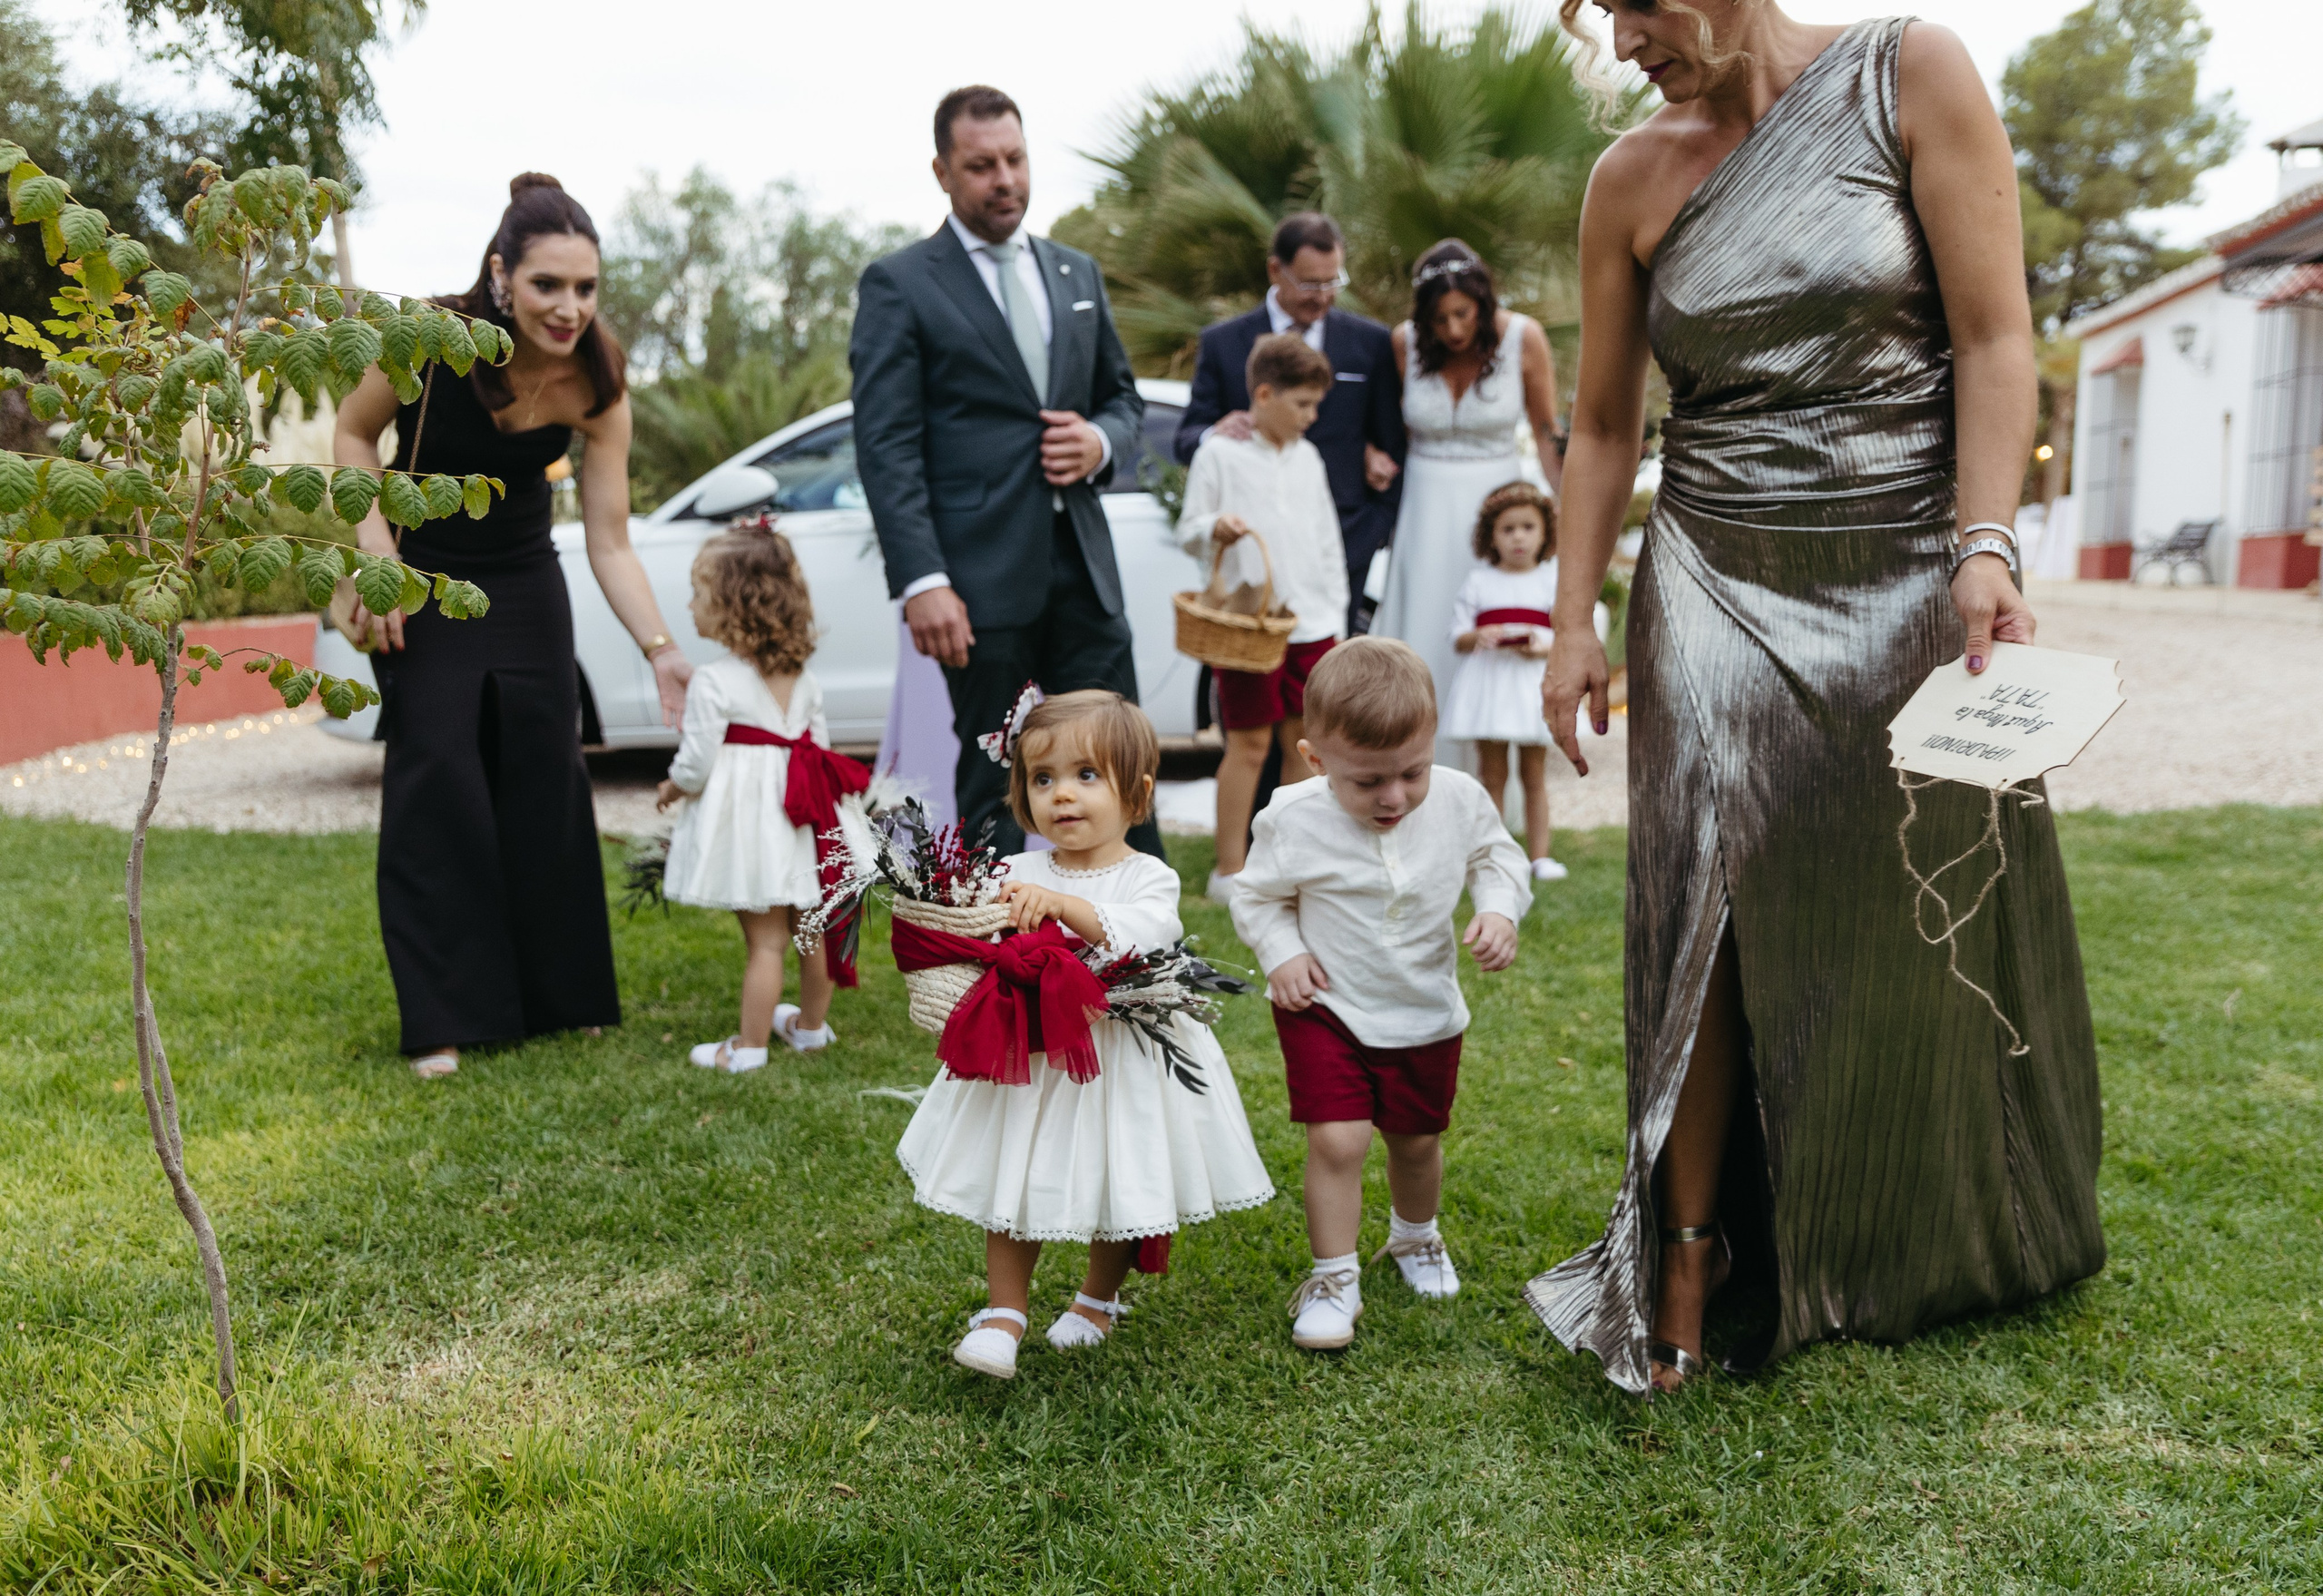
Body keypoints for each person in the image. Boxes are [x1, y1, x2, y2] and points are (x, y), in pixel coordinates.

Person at [1526, 5, 2105, 1395]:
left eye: (1638, 6)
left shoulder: (1912, 71)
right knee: (1709, 901)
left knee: (1915, 891)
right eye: (1598, 14)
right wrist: (1570, 623)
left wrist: (1986, 543)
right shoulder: (1629, 177)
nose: (1622, 41)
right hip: (1713, 566)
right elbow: (1604, 425)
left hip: (1913, 556)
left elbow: (1993, 335)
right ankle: (1688, 1247)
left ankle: (1934, 1225)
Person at [337, 173, 692, 1080]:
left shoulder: (599, 378)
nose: (569, 307)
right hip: (422, 576)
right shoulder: (424, 339)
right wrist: (378, 561)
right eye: (547, 286)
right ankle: (443, 1015)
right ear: (500, 275)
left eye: (585, 288)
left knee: (545, 775)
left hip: (527, 578)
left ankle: (561, 994)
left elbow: (609, 540)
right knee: (439, 775)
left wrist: (662, 651)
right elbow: (349, 437)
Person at [897, 692, 1277, 1380]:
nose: (1062, 796)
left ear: (1138, 792)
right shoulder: (1015, 871)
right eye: (1043, 780)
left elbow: (1146, 932)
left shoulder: (1147, 875)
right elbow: (980, 933)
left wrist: (1068, 908)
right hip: (1031, 1056)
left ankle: (1098, 1298)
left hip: (1121, 1057)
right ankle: (1005, 1311)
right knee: (1012, 1174)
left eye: (1086, 776)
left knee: (1118, 1178)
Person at [852, 85, 1158, 860]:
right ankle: (993, 964)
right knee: (998, 778)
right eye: (982, 165)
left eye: (1016, 160)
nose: (1005, 180)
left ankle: (1144, 964)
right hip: (978, 584)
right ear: (942, 172)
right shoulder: (901, 282)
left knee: (1121, 762)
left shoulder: (1076, 273)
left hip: (1084, 570)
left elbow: (1122, 397)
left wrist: (1100, 439)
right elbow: (887, 444)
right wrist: (923, 580)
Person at [1230, 639, 1531, 1351]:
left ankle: (1414, 1236)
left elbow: (1498, 857)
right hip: (1325, 1004)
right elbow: (1257, 897)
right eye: (1368, 781)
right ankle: (1334, 1278)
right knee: (1339, 1138)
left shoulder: (1457, 798)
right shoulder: (1290, 817)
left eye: (1411, 772)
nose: (1393, 795)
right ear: (1315, 758)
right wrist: (1284, 952)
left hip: (1422, 1004)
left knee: (1416, 1139)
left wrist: (1497, 909)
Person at [653, 526, 851, 1072]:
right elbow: (820, 748)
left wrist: (672, 787)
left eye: (699, 593)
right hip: (804, 818)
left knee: (765, 943)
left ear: (731, 603)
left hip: (753, 828)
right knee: (810, 930)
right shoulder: (803, 677)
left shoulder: (715, 682)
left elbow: (696, 762)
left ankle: (749, 1047)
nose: (690, 605)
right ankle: (810, 1030)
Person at [1373, 240, 1566, 750]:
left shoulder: (1525, 338)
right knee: (1425, 626)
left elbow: (1547, 433)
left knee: (1495, 622)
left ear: (1483, 301)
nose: (1453, 329)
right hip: (1424, 506)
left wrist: (1565, 505)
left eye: (1463, 313)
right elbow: (1392, 432)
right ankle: (1413, 760)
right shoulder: (1403, 343)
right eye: (1439, 319)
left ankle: (1493, 774)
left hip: (1496, 504)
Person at [1174, 212, 1406, 636]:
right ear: (1275, 270)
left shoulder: (1369, 343)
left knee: (1330, 684)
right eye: (1309, 283)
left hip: (1345, 541)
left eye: (1332, 282)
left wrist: (1374, 526)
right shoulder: (1223, 343)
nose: (1322, 297)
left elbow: (1391, 441)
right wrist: (1216, 432)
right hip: (1252, 559)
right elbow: (1186, 438)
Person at [1176, 332, 1346, 903]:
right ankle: (1229, 870)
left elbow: (1327, 541)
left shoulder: (1311, 457)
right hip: (1250, 627)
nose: (1311, 416)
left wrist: (1336, 615)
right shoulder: (1219, 453)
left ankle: (1286, 864)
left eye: (1316, 405)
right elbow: (1189, 529)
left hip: (1313, 622)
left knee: (1304, 744)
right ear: (1265, 394)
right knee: (1247, 745)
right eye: (1302, 404)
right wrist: (1213, 529)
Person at [1446, 482, 1567, 882]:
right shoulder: (1480, 582)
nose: (1518, 536)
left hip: (1531, 685)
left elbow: (1565, 633)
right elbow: (1458, 636)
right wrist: (1477, 637)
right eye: (1508, 528)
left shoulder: (1552, 580)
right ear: (1491, 536)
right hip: (1490, 686)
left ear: (1545, 532)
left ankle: (1539, 856)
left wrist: (1542, 645)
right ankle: (1492, 855)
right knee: (1491, 774)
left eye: (1528, 527)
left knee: (1534, 773)